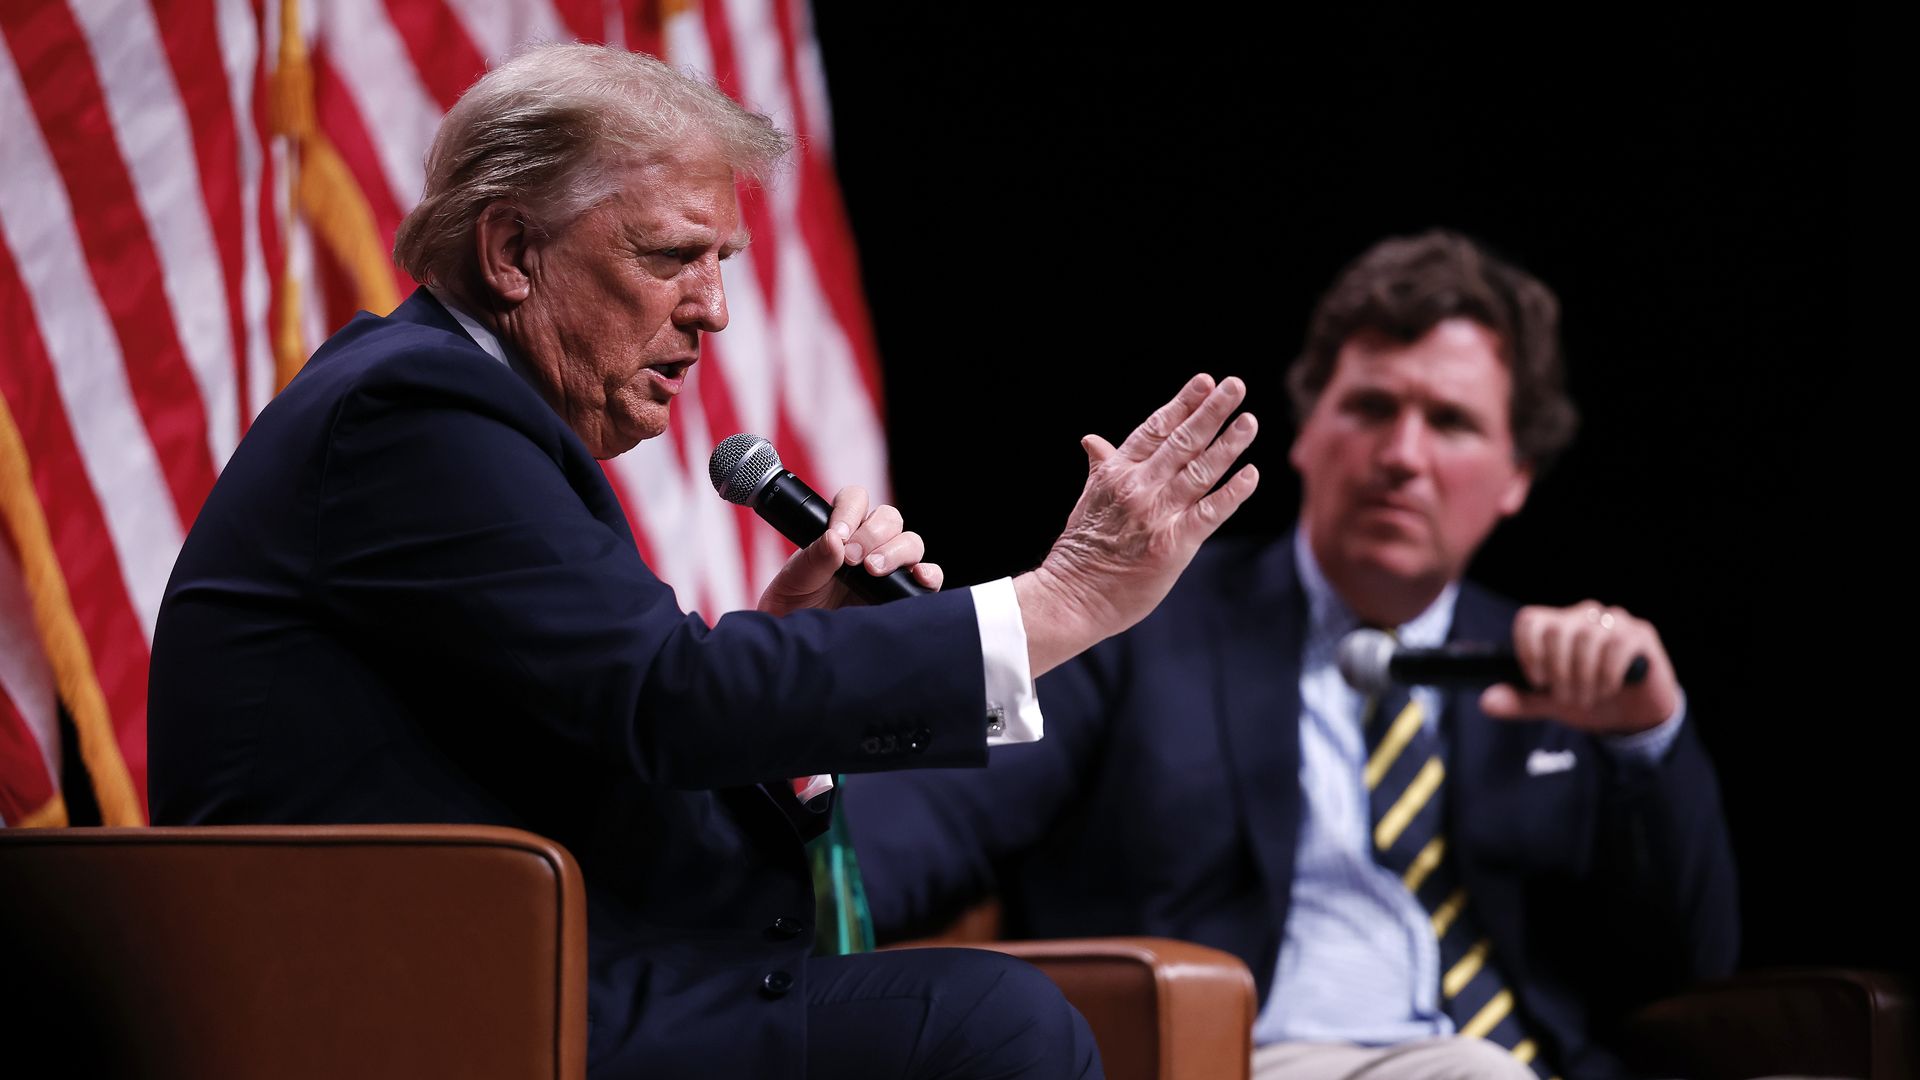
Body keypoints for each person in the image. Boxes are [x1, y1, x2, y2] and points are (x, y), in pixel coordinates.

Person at [147, 43, 1263, 1080]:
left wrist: (790, 656)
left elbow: (610, 726)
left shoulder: (458, 411)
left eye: (722, 261)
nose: (717, 311)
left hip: (516, 972)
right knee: (992, 1023)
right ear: (512, 251)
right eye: (674, 256)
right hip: (418, 1011)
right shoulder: (414, 410)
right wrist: (1059, 599)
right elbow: (663, 703)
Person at [844, 230, 1739, 1079]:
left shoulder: (1560, 673)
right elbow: (929, 822)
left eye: (1453, 422)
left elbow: (1690, 969)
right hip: (1243, 1058)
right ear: (1307, 431)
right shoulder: (1145, 627)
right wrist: (763, 911)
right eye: (1372, 407)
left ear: (1517, 476)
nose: (1402, 455)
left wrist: (1644, 740)